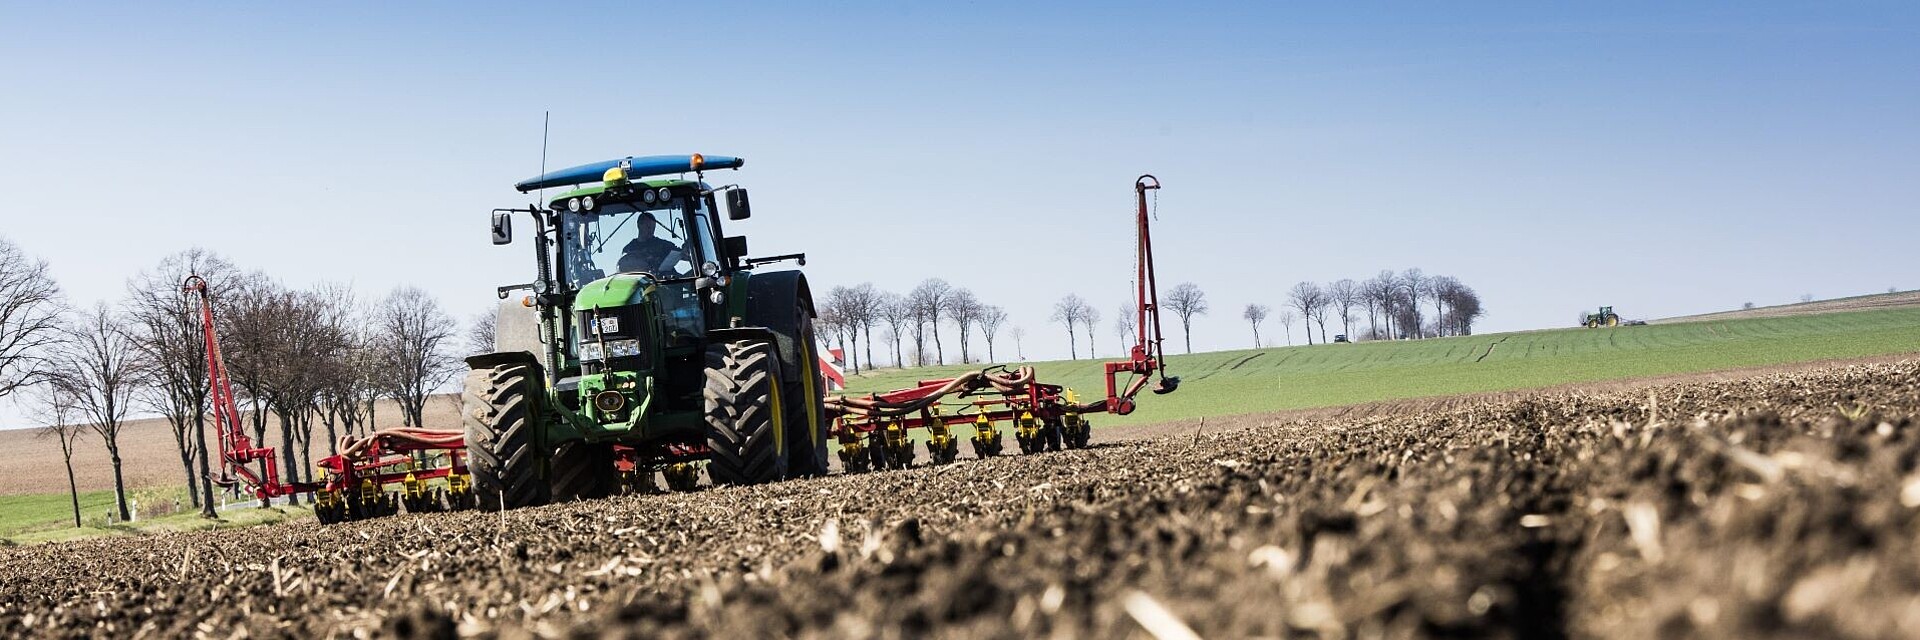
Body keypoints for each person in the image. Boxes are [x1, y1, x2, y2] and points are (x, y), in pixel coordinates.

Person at [617, 211, 686, 275]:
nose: (651, 230)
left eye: (653, 227)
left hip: (667, 282)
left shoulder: (663, 245)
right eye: (648, 226)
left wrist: (686, 249)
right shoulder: (629, 249)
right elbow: (623, 268)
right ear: (639, 225)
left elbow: (682, 254)